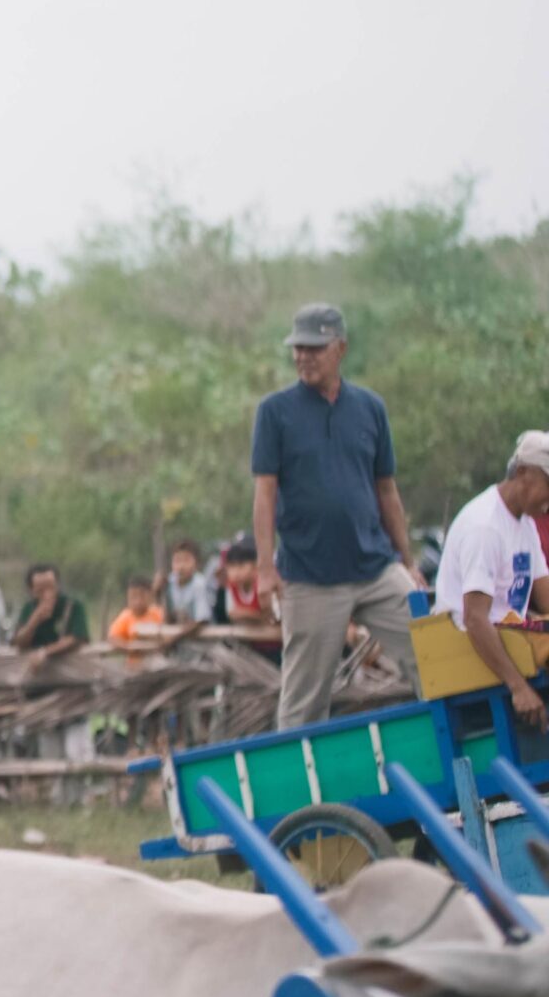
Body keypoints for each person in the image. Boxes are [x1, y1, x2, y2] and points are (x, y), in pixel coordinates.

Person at [252, 302, 423, 728]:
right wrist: (265, 568)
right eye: (298, 348)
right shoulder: (275, 412)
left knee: (433, 651)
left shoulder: (370, 408)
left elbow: (386, 490)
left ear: (340, 348)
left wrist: (407, 561)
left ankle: (461, 748)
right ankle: (296, 771)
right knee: (304, 702)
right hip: (310, 577)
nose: (303, 356)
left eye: (315, 347)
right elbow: (265, 493)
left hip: (376, 568)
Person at [432, 432, 549, 730]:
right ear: (523, 473)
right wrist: (518, 687)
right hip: (472, 650)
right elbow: (474, 619)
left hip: (513, 636)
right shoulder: (484, 527)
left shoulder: (526, 524)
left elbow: (546, 597)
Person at [216, 536, 283, 664]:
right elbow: (232, 614)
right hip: (251, 646)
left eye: (241, 566)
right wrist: (260, 616)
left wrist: (247, 615)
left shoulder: (266, 585)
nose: (235, 572)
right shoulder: (231, 587)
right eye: (232, 566)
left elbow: (275, 618)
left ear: (255, 566)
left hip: (275, 647)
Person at [10, 563, 89, 662]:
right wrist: (34, 620)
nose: (47, 595)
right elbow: (19, 643)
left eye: (51, 588)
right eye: (40, 591)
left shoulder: (73, 605)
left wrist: (45, 652)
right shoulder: (28, 607)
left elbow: (76, 639)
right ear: (32, 591)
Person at [108, 576, 170, 665]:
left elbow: (168, 633)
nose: (137, 601)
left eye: (141, 596)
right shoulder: (125, 616)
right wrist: (129, 647)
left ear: (150, 596)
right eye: (133, 596)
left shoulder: (158, 613)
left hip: (157, 659)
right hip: (135, 664)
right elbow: (113, 637)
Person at [162, 539, 216, 627]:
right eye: (177, 560)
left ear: (196, 563)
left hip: (203, 634)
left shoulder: (199, 584)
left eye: (186, 560)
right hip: (178, 631)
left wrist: (175, 636)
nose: (181, 566)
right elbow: (166, 619)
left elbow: (201, 622)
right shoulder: (169, 582)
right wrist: (158, 592)